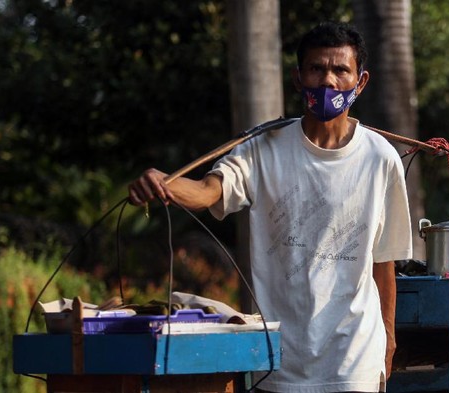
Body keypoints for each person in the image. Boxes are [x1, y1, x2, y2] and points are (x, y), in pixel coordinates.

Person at [128, 21, 412, 393]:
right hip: (280, 361)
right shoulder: (262, 149)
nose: (328, 81)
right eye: (316, 69)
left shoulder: (380, 158)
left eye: (340, 70)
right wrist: (164, 184)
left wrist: (388, 338)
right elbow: (207, 191)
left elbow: (383, 260)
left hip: (354, 359)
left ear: (360, 82)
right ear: (298, 79)